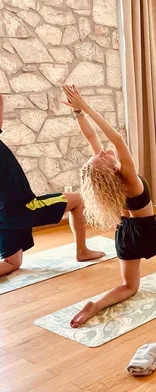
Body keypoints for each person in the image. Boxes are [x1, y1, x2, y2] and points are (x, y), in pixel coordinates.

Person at [60, 85, 156, 328]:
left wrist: (78, 113)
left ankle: (96, 305)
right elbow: (117, 139)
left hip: (123, 235)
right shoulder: (128, 178)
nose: (103, 151)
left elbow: (91, 137)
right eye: (101, 156)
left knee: (129, 286)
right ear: (110, 170)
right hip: (147, 234)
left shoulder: (110, 182)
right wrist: (86, 106)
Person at [0, 94, 105, 278]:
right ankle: (82, 251)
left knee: (12, 263)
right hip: (25, 207)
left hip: (3, 215)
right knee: (78, 200)